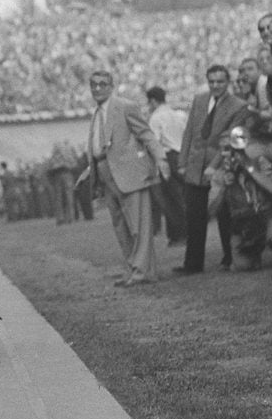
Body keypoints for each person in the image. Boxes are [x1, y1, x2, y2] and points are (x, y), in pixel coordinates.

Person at [77, 69, 170, 287]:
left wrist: (161, 159)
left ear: (111, 86)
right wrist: (89, 171)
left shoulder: (125, 106)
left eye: (102, 84)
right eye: (93, 85)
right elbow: (99, 147)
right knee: (121, 227)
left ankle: (143, 271)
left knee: (138, 226)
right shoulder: (97, 113)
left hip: (130, 173)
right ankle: (133, 269)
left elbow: (146, 134)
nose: (97, 88)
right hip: (106, 174)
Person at [174, 64, 247, 275]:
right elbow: (189, 132)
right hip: (195, 165)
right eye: (212, 81)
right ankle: (193, 264)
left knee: (224, 214)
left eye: (220, 81)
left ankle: (229, 258)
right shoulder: (199, 100)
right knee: (194, 216)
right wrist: (182, 162)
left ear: (228, 82)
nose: (215, 85)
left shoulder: (238, 106)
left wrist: (213, 166)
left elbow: (231, 139)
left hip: (221, 165)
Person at [206, 125, 272, 270]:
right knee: (243, 266)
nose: (231, 154)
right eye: (225, 149)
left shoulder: (259, 160)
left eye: (234, 148)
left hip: (266, 214)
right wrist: (224, 187)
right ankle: (254, 253)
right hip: (243, 221)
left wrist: (251, 170)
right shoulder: (221, 173)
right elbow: (211, 209)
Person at [145, 85, 187, 245]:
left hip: (167, 156)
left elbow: (154, 142)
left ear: (153, 101)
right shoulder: (176, 114)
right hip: (180, 154)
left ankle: (180, 234)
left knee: (170, 198)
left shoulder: (156, 118)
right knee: (179, 195)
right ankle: (177, 234)